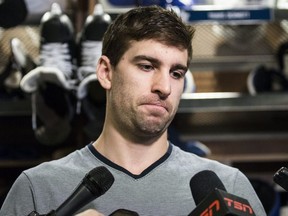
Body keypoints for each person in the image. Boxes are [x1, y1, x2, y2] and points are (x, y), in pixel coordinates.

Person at [0, 5, 266, 216]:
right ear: (106, 72)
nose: (164, 87)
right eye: (147, 66)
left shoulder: (229, 188)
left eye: (176, 73)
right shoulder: (37, 189)